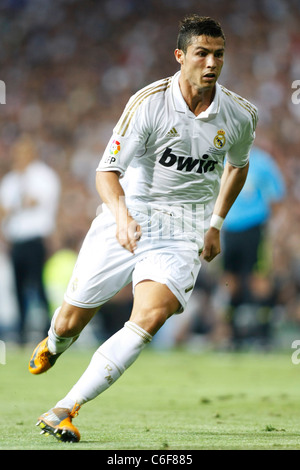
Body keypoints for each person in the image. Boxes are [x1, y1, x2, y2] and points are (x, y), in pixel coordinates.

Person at [28, 15, 258, 443]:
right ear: (180, 56)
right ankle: (55, 343)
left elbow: (237, 167)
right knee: (71, 319)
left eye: (219, 54)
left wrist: (215, 223)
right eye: (202, 53)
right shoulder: (149, 103)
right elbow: (106, 172)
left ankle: (64, 408)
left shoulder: (241, 116)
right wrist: (122, 217)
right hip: (130, 214)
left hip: (183, 231)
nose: (211, 63)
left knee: (151, 315)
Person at [221, 146, 285, 348]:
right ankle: (234, 337)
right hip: (228, 229)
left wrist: (272, 231)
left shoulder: (262, 162)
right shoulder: (221, 160)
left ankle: (263, 336)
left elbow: (276, 198)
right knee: (230, 283)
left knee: (259, 281)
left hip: (254, 228)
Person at [0, 135, 61, 344]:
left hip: (36, 238)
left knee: (37, 284)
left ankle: (47, 330)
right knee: (17, 286)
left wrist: (14, 207)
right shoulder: (11, 179)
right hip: (17, 239)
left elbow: (33, 201)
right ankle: (21, 332)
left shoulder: (42, 175)